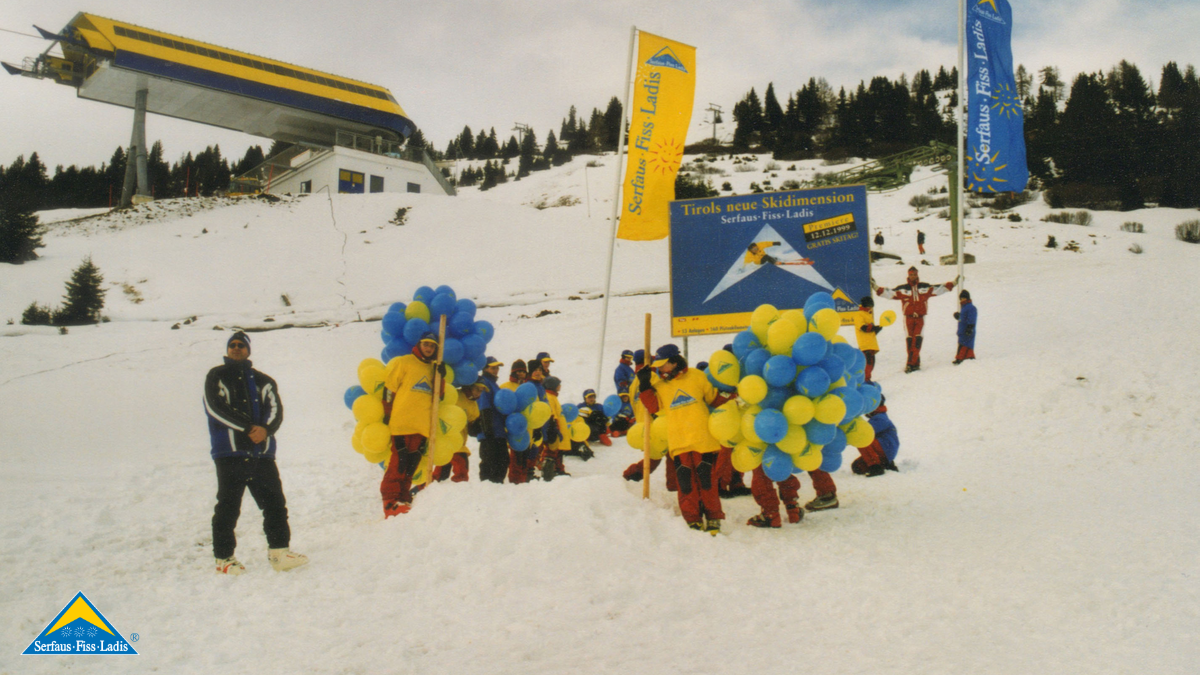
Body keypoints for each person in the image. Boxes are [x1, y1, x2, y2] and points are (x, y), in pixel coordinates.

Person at [204, 331, 307, 575]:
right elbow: (215, 407)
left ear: (249, 350)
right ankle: (224, 559)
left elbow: (275, 410)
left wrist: (266, 430)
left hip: (261, 455)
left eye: (241, 345)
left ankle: (280, 552)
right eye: (232, 345)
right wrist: (249, 428)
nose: (236, 348)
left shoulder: (264, 381)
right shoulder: (216, 375)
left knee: (275, 504)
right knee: (228, 506)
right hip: (230, 453)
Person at [637, 345, 733, 534]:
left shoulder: (697, 376)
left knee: (707, 481)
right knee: (686, 483)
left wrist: (731, 397)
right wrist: (644, 386)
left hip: (702, 439)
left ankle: (713, 517)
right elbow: (654, 407)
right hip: (679, 442)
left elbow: (713, 399)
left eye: (663, 365)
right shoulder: (660, 386)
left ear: (674, 362)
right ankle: (692, 518)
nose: (660, 369)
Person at [380, 331, 443, 516]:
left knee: (411, 464)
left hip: (422, 426)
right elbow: (389, 389)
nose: (429, 348)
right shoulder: (404, 362)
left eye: (432, 346)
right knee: (398, 463)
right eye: (426, 344)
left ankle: (403, 498)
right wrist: (387, 413)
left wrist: (442, 377)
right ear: (419, 344)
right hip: (402, 423)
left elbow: (440, 396)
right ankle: (390, 502)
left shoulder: (433, 369)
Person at [875, 266, 954, 373]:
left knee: (917, 340)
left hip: (920, 318)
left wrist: (953, 283)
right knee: (909, 341)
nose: (913, 276)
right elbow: (889, 293)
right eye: (911, 274)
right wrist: (875, 287)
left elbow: (939, 288)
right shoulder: (902, 289)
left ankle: (910, 364)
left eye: (915, 274)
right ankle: (915, 363)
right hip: (908, 318)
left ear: (917, 275)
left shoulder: (924, 287)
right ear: (908, 275)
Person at [475, 356, 509, 483]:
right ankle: (487, 489)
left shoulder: (494, 385)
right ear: (485, 369)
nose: (496, 370)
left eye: (497, 368)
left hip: (499, 431)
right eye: (492, 368)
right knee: (490, 463)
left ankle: (497, 489)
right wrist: (486, 427)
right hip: (490, 432)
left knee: (503, 461)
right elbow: (483, 405)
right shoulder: (484, 382)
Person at [852, 392, 900, 475]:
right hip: (885, 449)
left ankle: (875, 466)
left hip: (886, 448)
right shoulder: (879, 417)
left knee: (861, 439)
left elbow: (867, 431)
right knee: (858, 467)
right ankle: (886, 464)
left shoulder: (880, 418)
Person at [541, 376, 571, 480]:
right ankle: (551, 470)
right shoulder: (549, 397)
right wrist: (555, 427)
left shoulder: (553, 396)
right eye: (558, 384)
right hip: (554, 427)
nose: (560, 386)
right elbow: (552, 413)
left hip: (558, 427)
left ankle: (558, 469)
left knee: (558, 451)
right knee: (552, 450)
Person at [851, 295, 883, 382]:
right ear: (867, 306)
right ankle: (865, 380)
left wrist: (877, 329)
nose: (871, 309)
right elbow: (863, 327)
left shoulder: (868, 315)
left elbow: (870, 331)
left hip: (871, 343)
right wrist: (873, 328)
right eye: (870, 306)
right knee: (867, 364)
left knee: (871, 364)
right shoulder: (858, 314)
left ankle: (867, 379)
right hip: (865, 344)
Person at [953, 290, 977, 365]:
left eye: (963, 298)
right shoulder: (964, 308)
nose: (962, 300)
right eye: (961, 298)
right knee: (964, 344)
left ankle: (961, 358)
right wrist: (958, 316)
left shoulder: (971, 308)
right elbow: (963, 319)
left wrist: (970, 327)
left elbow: (971, 318)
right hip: (962, 330)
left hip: (967, 330)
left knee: (965, 345)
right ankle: (967, 357)